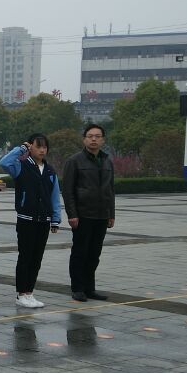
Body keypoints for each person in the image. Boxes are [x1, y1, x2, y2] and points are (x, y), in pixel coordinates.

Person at [0, 134, 62, 309]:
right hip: (26, 219)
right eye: (38, 146)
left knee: (37, 258)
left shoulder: (50, 171)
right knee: (25, 256)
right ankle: (21, 294)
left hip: (44, 220)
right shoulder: (21, 166)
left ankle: (30, 293)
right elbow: (5, 162)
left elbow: (55, 196)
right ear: (30, 147)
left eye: (45, 147)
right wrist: (21, 149)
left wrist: (55, 219)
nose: (42, 150)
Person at [62, 124, 115, 302]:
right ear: (84, 139)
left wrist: (111, 213)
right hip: (83, 215)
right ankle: (77, 288)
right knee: (80, 253)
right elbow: (68, 190)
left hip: (101, 215)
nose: (94, 139)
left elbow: (110, 190)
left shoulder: (107, 160)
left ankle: (89, 288)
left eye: (97, 136)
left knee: (94, 254)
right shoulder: (74, 161)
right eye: (90, 136)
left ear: (103, 140)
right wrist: (72, 214)